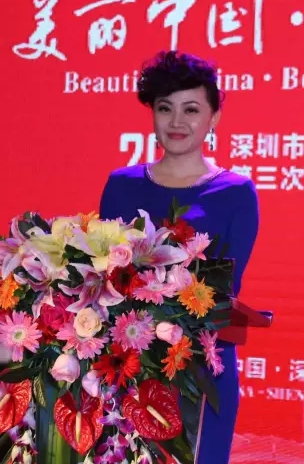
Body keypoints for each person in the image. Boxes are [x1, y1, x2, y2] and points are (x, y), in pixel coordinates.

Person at [99, 50, 259, 464]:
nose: (176, 121)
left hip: (201, 369)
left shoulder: (236, 193)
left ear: (214, 117)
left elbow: (225, 288)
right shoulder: (120, 185)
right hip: (126, 363)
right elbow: (104, 277)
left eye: (191, 109)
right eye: (165, 108)